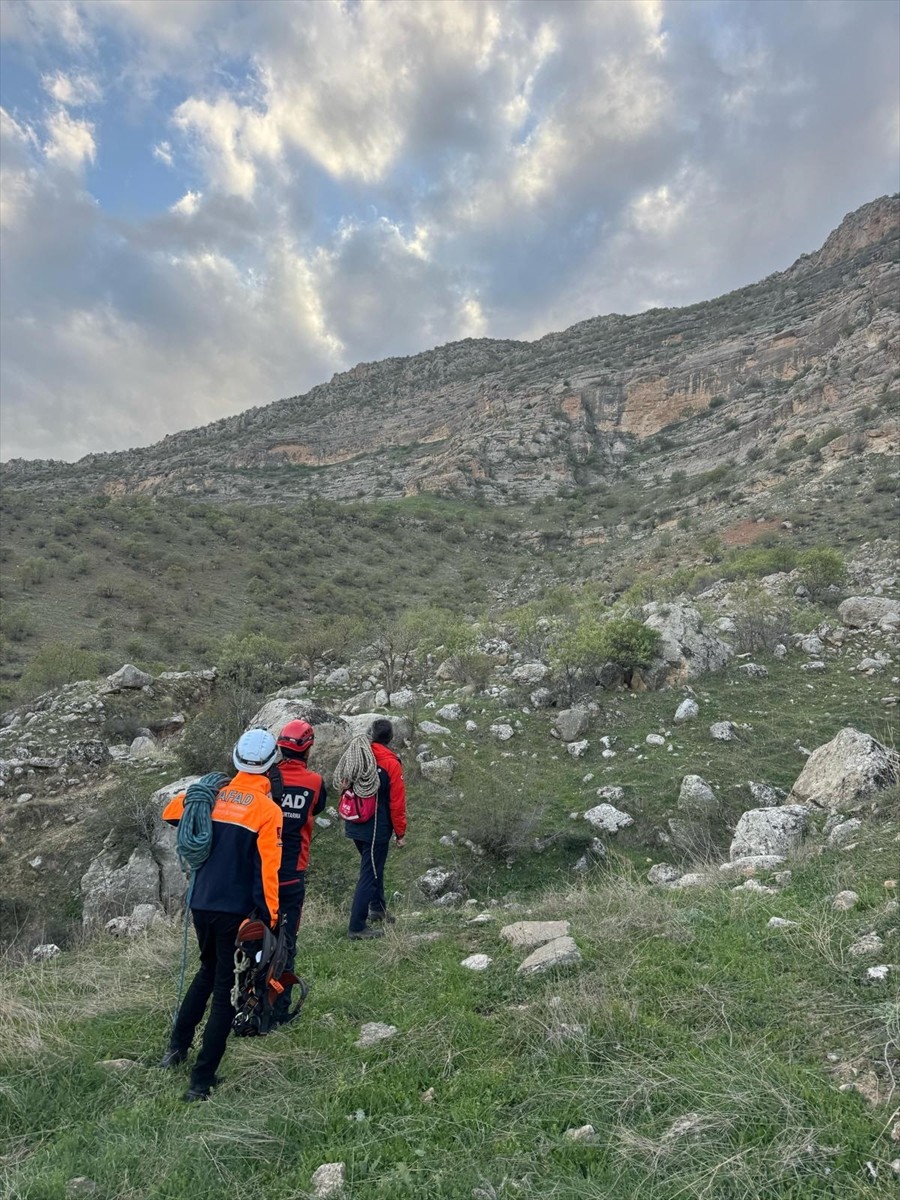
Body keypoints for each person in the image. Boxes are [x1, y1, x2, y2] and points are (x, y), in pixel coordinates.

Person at [158, 727, 282, 1101]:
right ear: (272, 764)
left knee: (207, 969)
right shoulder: (267, 810)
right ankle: (201, 1080)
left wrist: (209, 790)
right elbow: (268, 871)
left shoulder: (211, 795)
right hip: (236, 913)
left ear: (236, 759)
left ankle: (175, 1050)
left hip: (201, 904)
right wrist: (271, 918)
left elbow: (171, 811)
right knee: (227, 990)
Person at [266, 719, 327, 1024]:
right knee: (286, 943)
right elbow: (316, 810)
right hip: (292, 875)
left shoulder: (266, 778)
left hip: (262, 874)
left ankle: (250, 997)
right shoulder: (314, 782)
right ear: (308, 749)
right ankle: (278, 1009)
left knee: (257, 937)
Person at [345, 717, 406, 940]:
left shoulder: (359, 755)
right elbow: (397, 803)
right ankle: (357, 926)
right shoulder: (390, 763)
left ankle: (378, 909)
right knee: (369, 873)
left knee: (373, 866)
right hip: (375, 828)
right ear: (390, 738)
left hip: (355, 822)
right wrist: (400, 833)